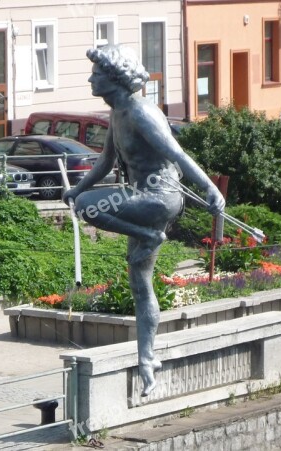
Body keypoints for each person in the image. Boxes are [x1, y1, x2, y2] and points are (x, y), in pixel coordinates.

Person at [62, 45, 225, 396]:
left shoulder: (141, 113)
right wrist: (77, 188)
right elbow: (105, 163)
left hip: (158, 199)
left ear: (114, 79)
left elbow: (177, 154)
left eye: (97, 74)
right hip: (141, 198)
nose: (91, 79)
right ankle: (147, 360)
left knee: (89, 207)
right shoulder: (118, 113)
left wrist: (211, 188)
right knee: (140, 282)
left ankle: (148, 236)